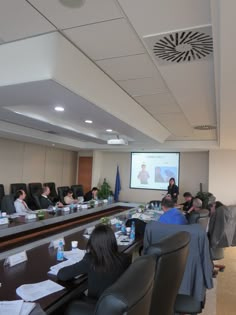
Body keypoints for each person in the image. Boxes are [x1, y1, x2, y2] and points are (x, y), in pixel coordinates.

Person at [57, 224, 131, 299]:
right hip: (116, 302)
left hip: (96, 304)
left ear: (93, 243)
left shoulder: (91, 260)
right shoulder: (125, 258)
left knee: (73, 297)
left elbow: (62, 275)